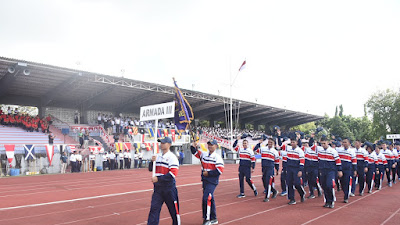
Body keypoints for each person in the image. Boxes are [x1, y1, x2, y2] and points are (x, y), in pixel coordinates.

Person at [147, 137, 180, 225]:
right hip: (158, 189)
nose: (162, 144)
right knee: (154, 209)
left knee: (174, 211)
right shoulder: (157, 156)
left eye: (164, 143)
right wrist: (152, 161)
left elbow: (173, 174)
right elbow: (150, 169)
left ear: (169, 144)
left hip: (169, 188)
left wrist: (158, 179)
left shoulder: (172, 158)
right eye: (161, 143)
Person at [191, 139, 224, 225]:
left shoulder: (217, 157)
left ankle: (207, 219)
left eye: (211, 145)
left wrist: (208, 173)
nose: (209, 146)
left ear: (216, 146)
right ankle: (214, 218)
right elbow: (194, 152)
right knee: (210, 198)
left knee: (206, 198)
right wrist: (193, 145)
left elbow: (219, 171)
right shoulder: (204, 154)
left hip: (212, 181)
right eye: (208, 144)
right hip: (205, 180)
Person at [278, 133, 305, 205]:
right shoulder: (288, 148)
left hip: (296, 169)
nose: (292, 143)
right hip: (289, 168)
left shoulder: (300, 151)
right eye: (291, 142)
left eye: (294, 142)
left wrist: (300, 170)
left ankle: (302, 193)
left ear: (296, 142)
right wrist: (278, 136)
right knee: (289, 183)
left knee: (297, 183)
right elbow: (280, 144)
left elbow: (302, 161)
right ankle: (291, 198)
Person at [318, 136, 343, 208]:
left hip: (331, 170)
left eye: (324, 143)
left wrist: (339, 170)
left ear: (328, 142)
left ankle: (331, 200)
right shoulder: (320, 151)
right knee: (324, 186)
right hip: (323, 170)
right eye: (322, 144)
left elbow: (338, 161)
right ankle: (327, 201)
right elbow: (319, 161)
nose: (323, 145)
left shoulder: (333, 151)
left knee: (329, 185)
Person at [254, 138, 279, 202]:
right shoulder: (263, 149)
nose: (270, 144)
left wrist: (277, 170)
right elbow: (255, 149)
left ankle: (267, 197)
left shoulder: (275, 152)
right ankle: (274, 191)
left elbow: (277, 162)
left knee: (268, 182)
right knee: (264, 180)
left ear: (273, 143)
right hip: (264, 167)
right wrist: (259, 143)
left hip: (270, 168)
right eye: (269, 142)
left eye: (271, 143)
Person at [336, 138, 357, 203]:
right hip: (341, 168)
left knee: (347, 182)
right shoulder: (339, 150)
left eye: (345, 142)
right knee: (342, 183)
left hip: (348, 169)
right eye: (343, 142)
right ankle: (344, 191)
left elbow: (354, 161)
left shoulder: (352, 151)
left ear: (349, 143)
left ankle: (346, 196)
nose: (344, 143)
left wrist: (355, 170)